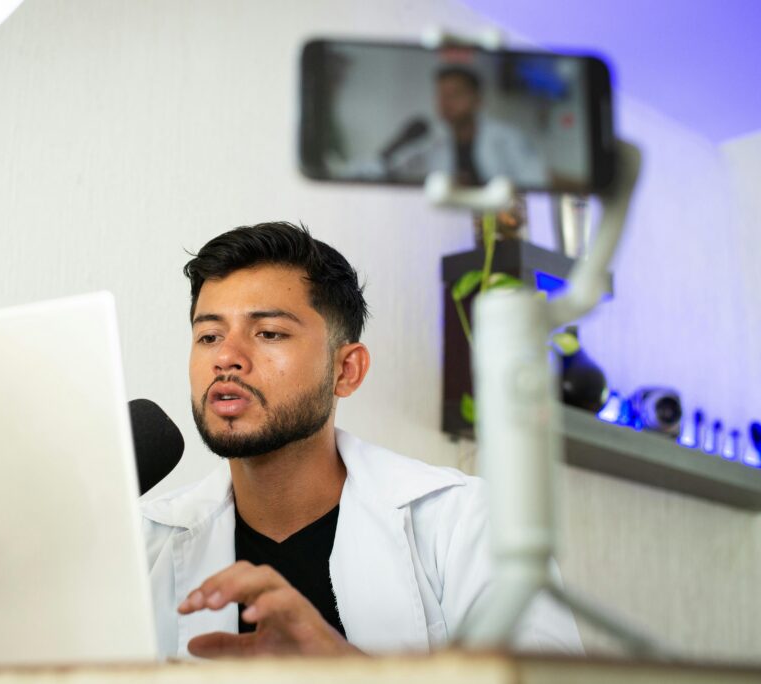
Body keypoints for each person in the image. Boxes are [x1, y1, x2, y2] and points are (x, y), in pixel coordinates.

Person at [141, 221, 581, 658]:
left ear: (347, 370)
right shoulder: (143, 545)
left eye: (269, 333)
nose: (226, 358)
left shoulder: (465, 523)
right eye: (209, 336)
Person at [385, 66, 548, 188]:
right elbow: (388, 168)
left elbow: (537, 179)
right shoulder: (429, 140)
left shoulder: (506, 137)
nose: (445, 103)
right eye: (441, 95)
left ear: (477, 99)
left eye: (454, 95)